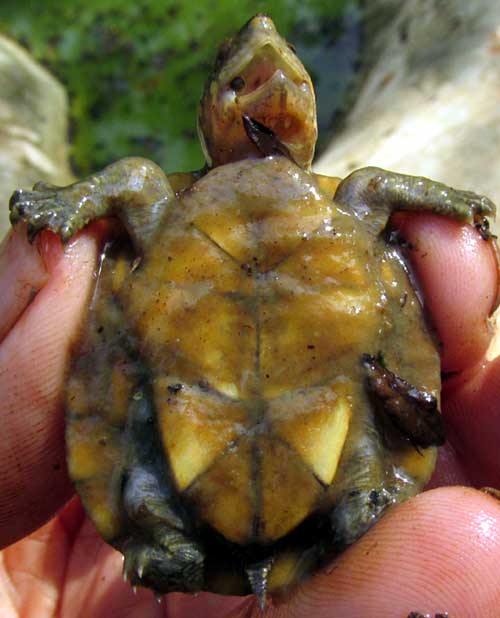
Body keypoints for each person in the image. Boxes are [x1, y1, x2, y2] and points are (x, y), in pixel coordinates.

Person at [0, 212, 499, 617]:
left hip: (297, 453)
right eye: (239, 84)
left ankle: (170, 539)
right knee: (366, 507)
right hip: (201, 432)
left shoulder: (157, 206)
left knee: (155, 498)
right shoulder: (353, 205)